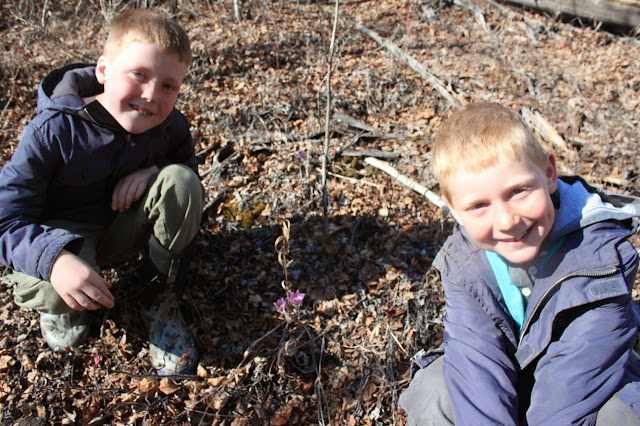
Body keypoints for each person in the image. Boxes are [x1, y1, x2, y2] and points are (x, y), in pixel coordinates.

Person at [400, 102, 640, 424]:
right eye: (479, 205)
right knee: (434, 389)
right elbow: (476, 362)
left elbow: (569, 391)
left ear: (549, 174)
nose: (507, 220)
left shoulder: (602, 260)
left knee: (619, 413)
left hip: (579, 387)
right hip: (513, 377)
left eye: (518, 191)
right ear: (454, 210)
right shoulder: (464, 263)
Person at [0, 9, 204, 375]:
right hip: (67, 239)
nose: (151, 95)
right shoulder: (52, 130)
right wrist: (54, 260)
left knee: (181, 181)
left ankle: (159, 302)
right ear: (103, 72)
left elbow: (188, 171)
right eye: (139, 74)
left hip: (124, 230)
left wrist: (155, 170)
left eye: (168, 86)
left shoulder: (171, 126)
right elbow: (6, 219)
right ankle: (63, 307)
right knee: (49, 288)